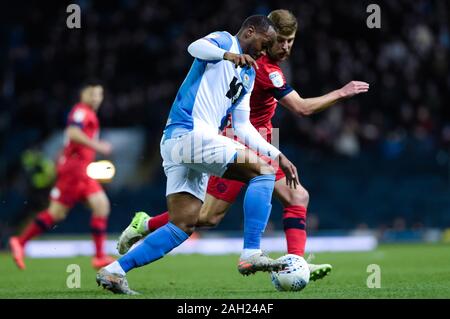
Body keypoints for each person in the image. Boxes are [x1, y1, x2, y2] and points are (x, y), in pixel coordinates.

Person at [116, 9, 370, 281]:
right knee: (207, 216)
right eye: (279, 40)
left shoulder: (261, 65)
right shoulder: (261, 69)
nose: (284, 47)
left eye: (290, 40)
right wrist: (342, 93)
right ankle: (148, 224)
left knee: (298, 196)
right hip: (230, 139)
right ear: (264, 36)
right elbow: (302, 108)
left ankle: (295, 263)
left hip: (262, 138)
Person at [96, 15, 300, 295]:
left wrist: (278, 155)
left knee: (183, 224)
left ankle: (114, 271)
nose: (264, 52)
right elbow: (194, 48)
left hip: (181, 144)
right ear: (250, 31)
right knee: (262, 173)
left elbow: (242, 127)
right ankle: (251, 252)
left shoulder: (250, 73)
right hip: (190, 134)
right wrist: (227, 55)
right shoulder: (223, 41)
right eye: (263, 44)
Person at [9, 82, 115, 270]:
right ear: (82, 95)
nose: (96, 98)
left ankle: (99, 257)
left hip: (81, 170)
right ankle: (20, 241)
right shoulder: (81, 112)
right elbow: (72, 132)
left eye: (99, 94)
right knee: (56, 213)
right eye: (92, 94)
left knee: (101, 205)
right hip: (74, 171)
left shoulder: (88, 113)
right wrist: (98, 146)